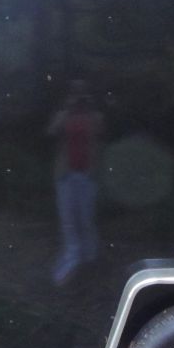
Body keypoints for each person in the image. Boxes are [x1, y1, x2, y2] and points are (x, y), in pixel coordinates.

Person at [48, 80, 103, 285]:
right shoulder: (64, 115)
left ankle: (90, 261)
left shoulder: (94, 116)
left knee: (86, 219)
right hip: (66, 174)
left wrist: (88, 108)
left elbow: (99, 131)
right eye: (75, 92)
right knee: (68, 219)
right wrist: (67, 108)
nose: (79, 97)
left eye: (82, 93)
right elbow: (51, 131)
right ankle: (73, 260)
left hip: (86, 175)